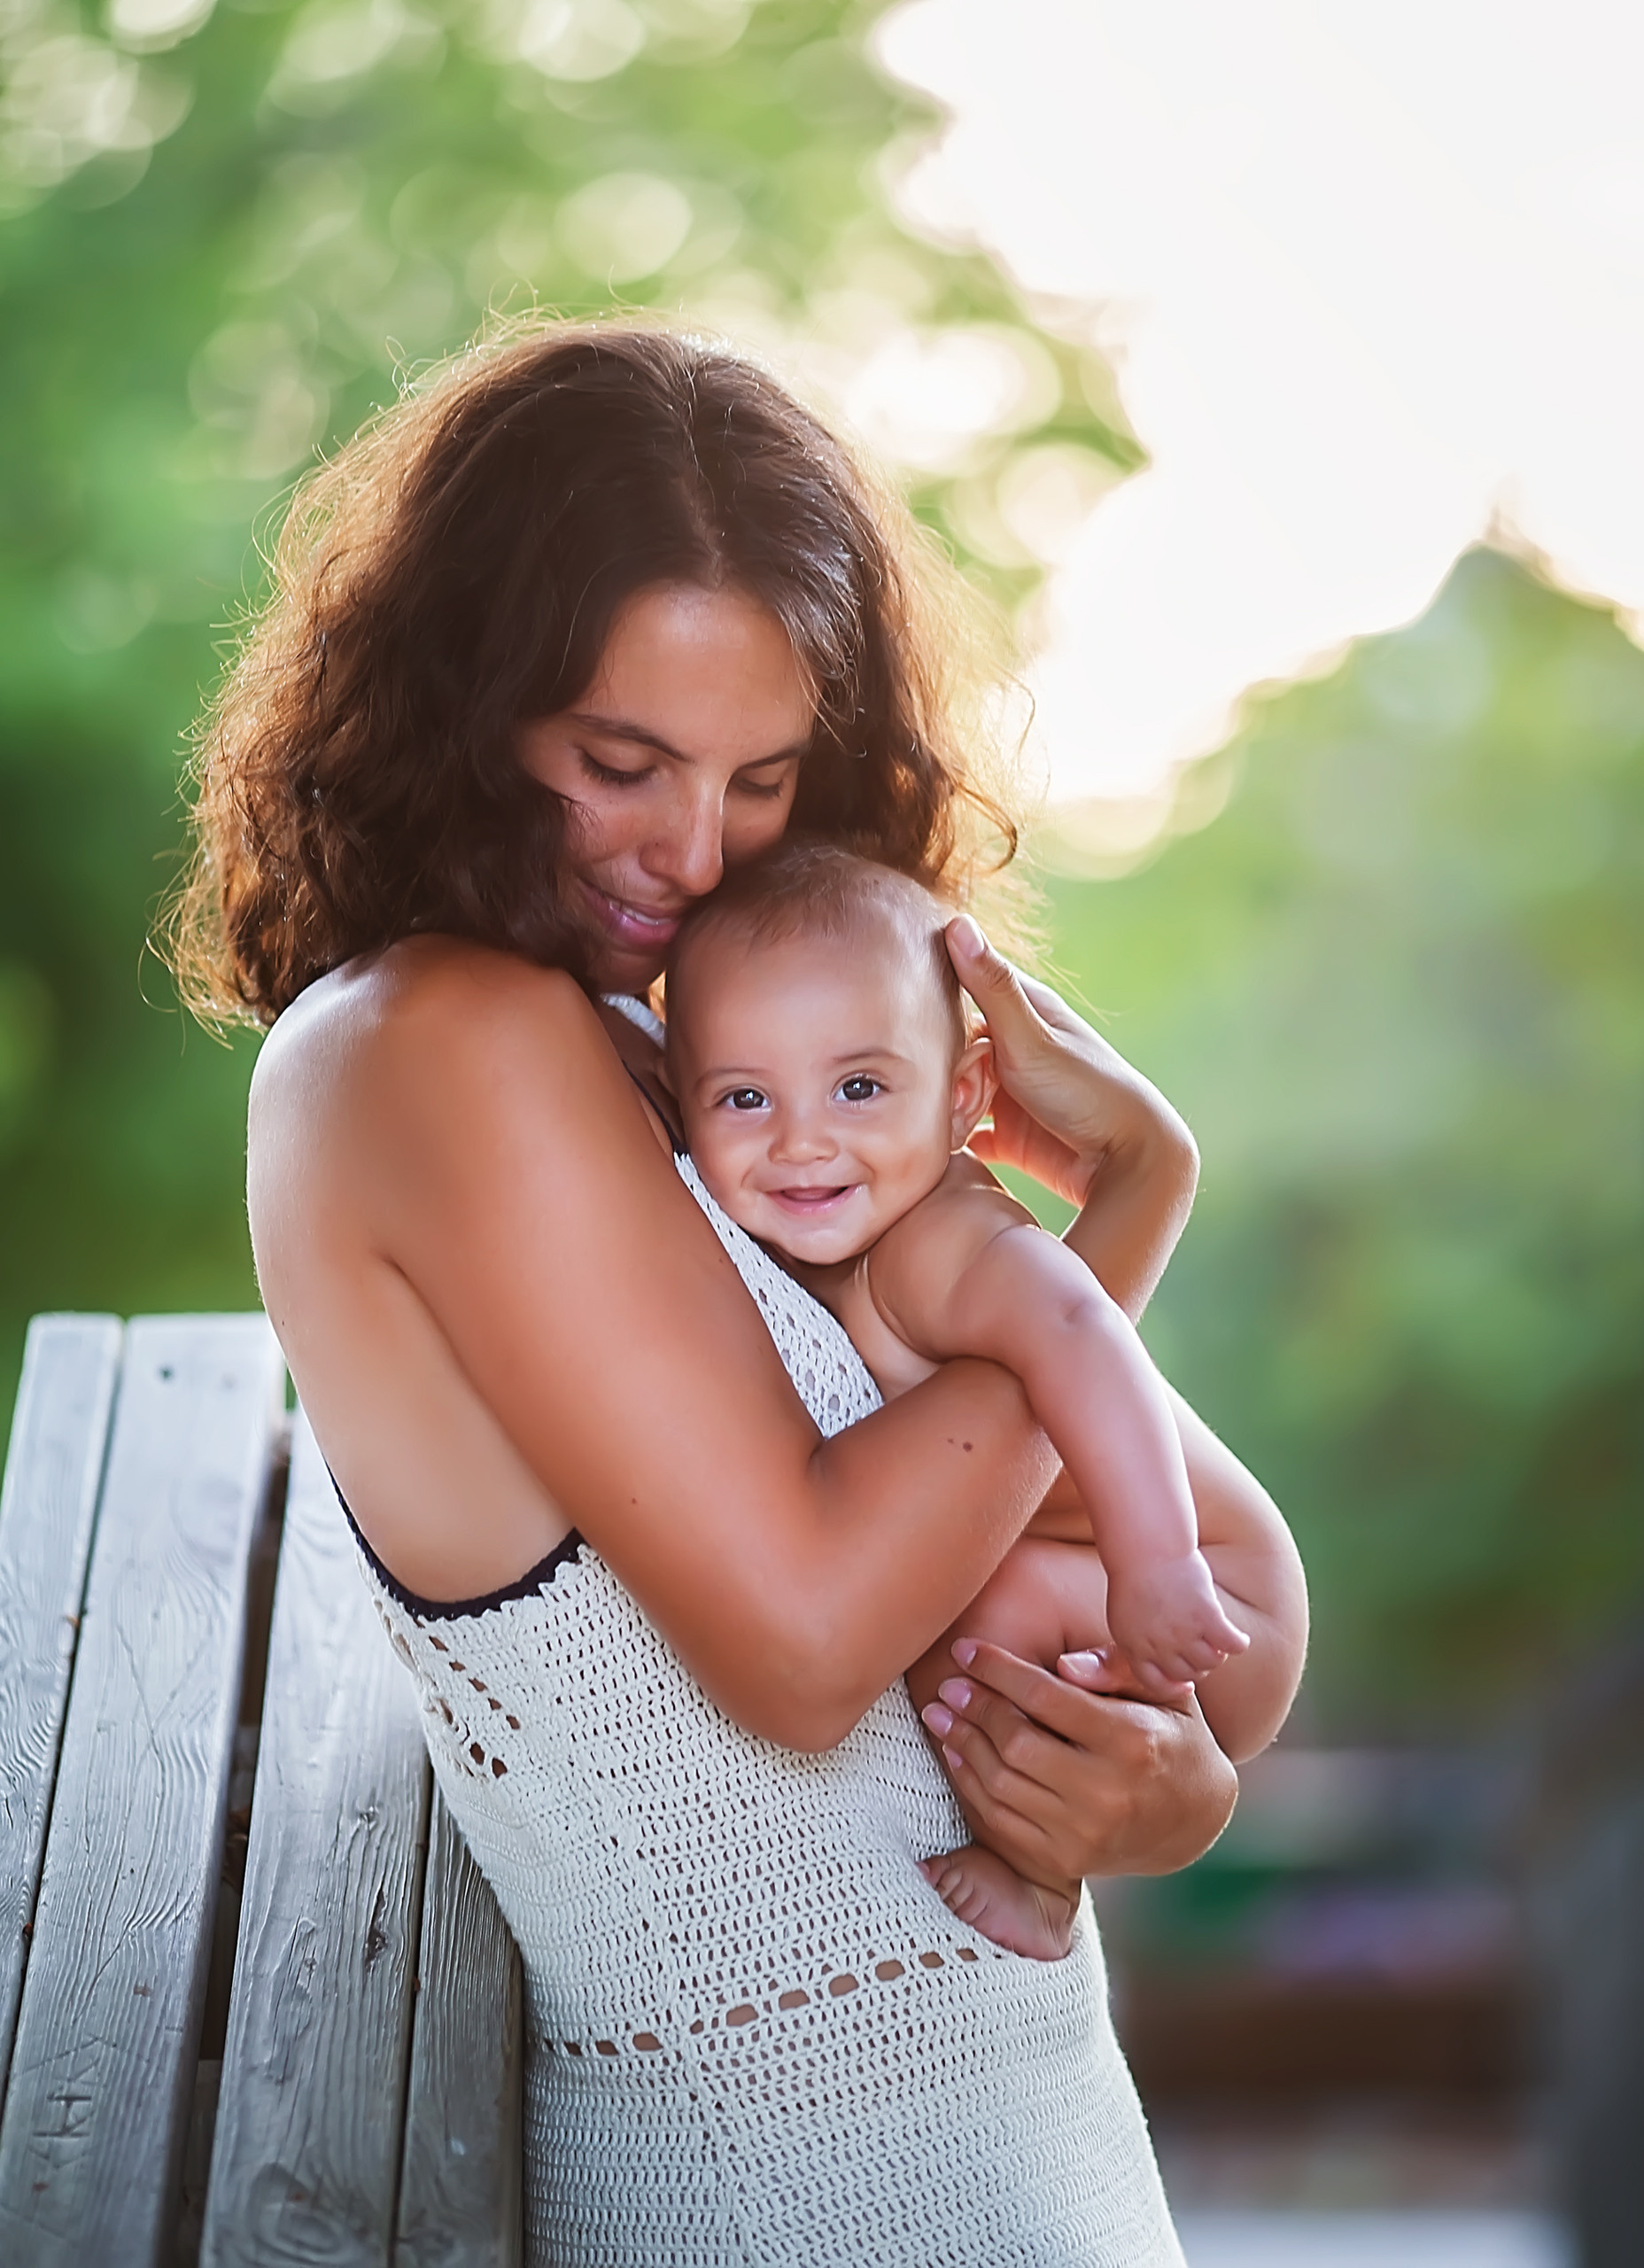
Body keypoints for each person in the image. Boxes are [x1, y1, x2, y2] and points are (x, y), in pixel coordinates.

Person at [171, 320, 1307, 2266]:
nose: (688, 852)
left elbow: (1209, 1581)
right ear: (460, 699)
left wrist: (1155, 1803)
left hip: (1029, 2137)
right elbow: (801, 1651)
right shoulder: (433, 1043)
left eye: (761, 780)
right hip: (790, 2185)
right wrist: (1120, 1202)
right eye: (621, 762)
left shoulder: (702, 1069)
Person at [663, 840, 1302, 1960]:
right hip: (1135, 1587)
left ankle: (1039, 1882)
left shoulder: (942, 1239)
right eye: (743, 1096)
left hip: (1208, 1601)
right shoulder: (812, 1234)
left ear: (962, 1096)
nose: (802, 1139)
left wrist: (1156, 1560)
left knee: (976, 1620)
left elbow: (1084, 1333)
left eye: (859, 1086)